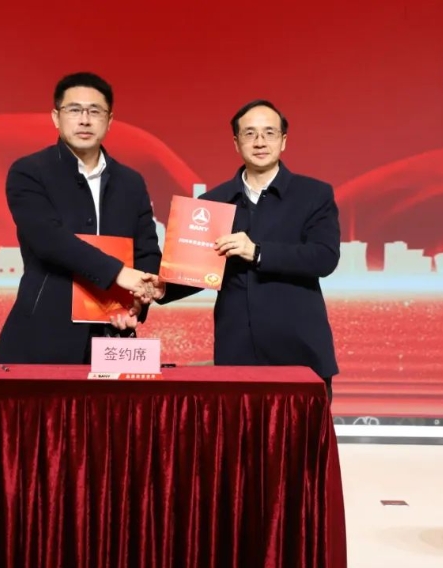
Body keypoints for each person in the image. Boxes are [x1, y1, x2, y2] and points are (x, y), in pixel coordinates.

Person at [144, 100, 340, 396]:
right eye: (250, 134)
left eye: (269, 133)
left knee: (303, 429)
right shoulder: (213, 202)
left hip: (300, 350)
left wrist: (258, 252)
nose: (260, 142)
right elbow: (199, 268)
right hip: (236, 350)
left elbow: (324, 258)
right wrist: (163, 289)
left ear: (283, 141)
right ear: (236, 143)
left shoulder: (314, 194)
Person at [0, 72, 161, 364]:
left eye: (95, 111)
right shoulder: (29, 172)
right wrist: (119, 274)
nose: (84, 120)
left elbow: (146, 250)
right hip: (43, 332)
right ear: (56, 117)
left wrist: (136, 304)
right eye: (74, 110)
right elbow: (48, 240)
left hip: (112, 335)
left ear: (109, 120)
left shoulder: (131, 182)